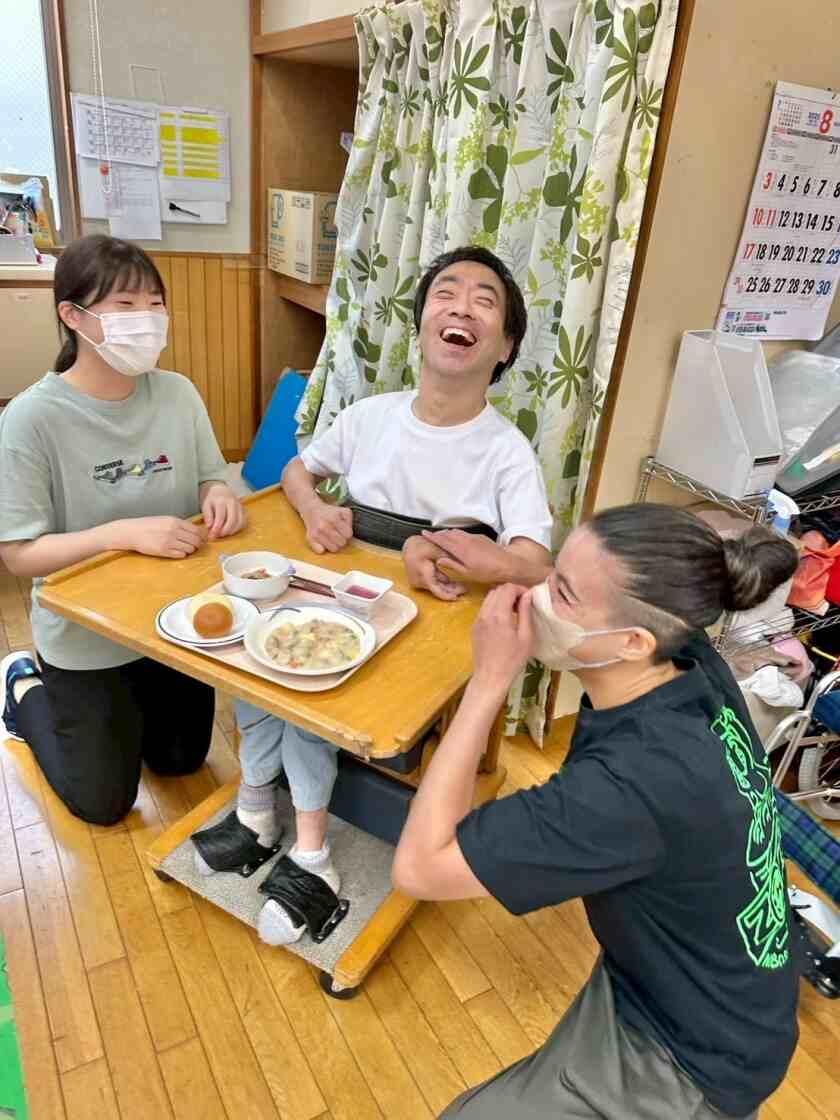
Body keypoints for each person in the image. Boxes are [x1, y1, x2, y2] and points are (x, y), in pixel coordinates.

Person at [191, 246, 554, 947]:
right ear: (421, 325)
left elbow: (534, 564)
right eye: (446, 293)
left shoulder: (506, 451)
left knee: (302, 688)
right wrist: (313, 510)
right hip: (341, 599)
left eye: (485, 301)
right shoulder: (370, 416)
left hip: (423, 634)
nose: (461, 306)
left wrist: (484, 559)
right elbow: (298, 471)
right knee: (251, 646)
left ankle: (313, 857)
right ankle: (256, 807)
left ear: (504, 347)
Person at [392, 503, 800, 1120]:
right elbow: (597, 605)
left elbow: (421, 867)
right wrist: (507, 567)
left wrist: (487, 681)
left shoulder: (633, 785)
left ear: (633, 641)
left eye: (561, 591)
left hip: (697, 1055)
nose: (541, 601)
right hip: (695, 977)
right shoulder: (686, 657)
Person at [0, 234, 246, 826]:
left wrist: (219, 498)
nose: (148, 320)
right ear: (73, 316)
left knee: (183, 761)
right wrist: (122, 533)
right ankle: (23, 689)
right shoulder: (31, 418)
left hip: (170, 624)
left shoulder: (178, 393)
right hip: (84, 639)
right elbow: (19, 555)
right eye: (125, 306)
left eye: (155, 304)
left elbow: (214, 478)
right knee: (105, 804)